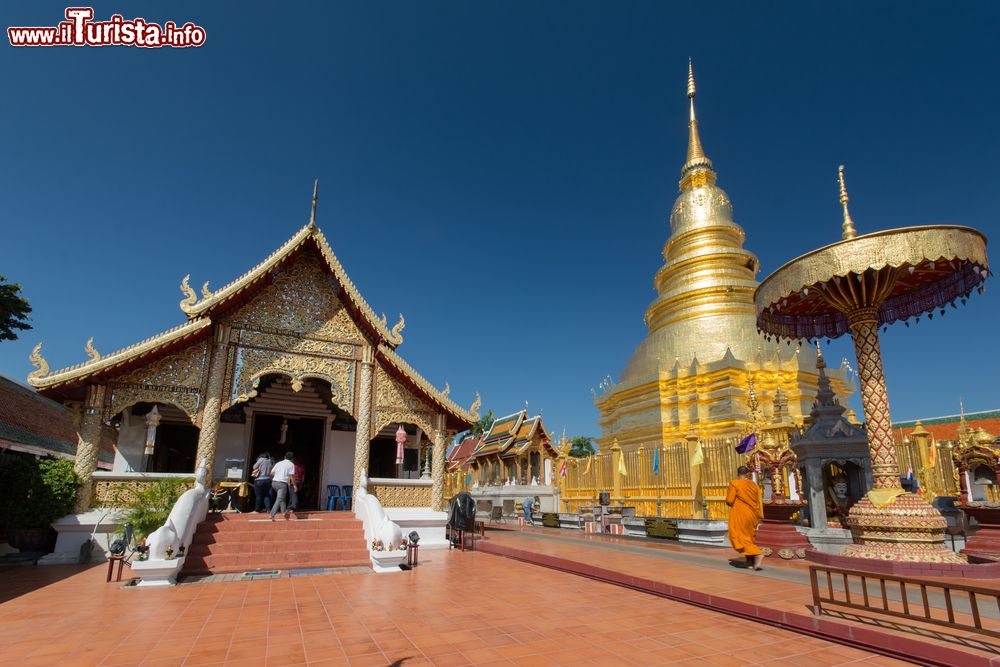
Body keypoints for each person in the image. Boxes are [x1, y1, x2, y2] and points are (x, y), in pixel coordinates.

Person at [726, 465, 764, 570]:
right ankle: (750, 562)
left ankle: (758, 554)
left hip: (741, 514)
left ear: (738, 474)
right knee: (749, 537)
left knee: (739, 535)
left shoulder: (735, 483)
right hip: (753, 514)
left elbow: (730, 500)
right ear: (747, 474)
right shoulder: (754, 485)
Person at [269, 451, 296, 521]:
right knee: (279, 499)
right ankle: (272, 514)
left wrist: (278, 475)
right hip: (282, 483)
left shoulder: (279, 463)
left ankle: (284, 512)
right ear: (292, 458)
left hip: (274, 482)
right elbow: (291, 476)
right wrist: (294, 485)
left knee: (282, 497)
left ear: (285, 457)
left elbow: (272, 473)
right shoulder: (291, 464)